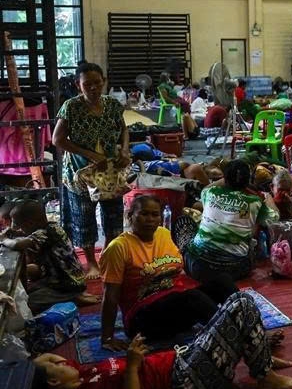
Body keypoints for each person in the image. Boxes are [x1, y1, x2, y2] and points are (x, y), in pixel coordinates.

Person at [32, 291, 292, 389]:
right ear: (54, 380)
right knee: (241, 304)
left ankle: (260, 357)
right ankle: (263, 375)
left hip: (183, 357)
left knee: (232, 299)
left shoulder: (81, 373)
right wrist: (133, 366)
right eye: (55, 361)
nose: (64, 359)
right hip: (185, 381)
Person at [99, 195, 237, 349]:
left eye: (155, 214)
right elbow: (110, 295)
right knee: (193, 298)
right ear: (130, 216)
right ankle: (233, 338)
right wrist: (107, 338)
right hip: (142, 319)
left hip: (173, 307)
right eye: (144, 214)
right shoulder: (118, 247)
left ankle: (244, 323)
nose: (150, 219)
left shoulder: (163, 234)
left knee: (223, 281)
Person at [52, 61, 129, 279]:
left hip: (109, 170)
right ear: (79, 85)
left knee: (113, 214)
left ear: (104, 82)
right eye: (87, 85)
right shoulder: (71, 107)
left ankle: (108, 254)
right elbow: (57, 140)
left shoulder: (112, 105)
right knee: (84, 216)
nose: (93, 88)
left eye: (97, 83)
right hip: (80, 171)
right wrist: (90, 155)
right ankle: (91, 262)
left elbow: (123, 129)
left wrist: (124, 149)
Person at [186, 159, 276, 282]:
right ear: (248, 180)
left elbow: (205, 188)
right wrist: (268, 196)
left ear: (224, 178)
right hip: (233, 269)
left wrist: (227, 179)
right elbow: (274, 217)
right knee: (253, 226)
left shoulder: (211, 193)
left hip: (197, 266)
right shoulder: (255, 202)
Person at [0, 199, 97, 312]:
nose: (15, 228)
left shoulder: (45, 234)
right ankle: (70, 295)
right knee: (27, 292)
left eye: (17, 224)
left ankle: (73, 298)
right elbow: (27, 234)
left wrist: (4, 239)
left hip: (66, 285)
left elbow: (18, 244)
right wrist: (15, 232)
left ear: (30, 223)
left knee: (27, 302)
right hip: (63, 279)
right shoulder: (52, 227)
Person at [157, 73, 199, 138]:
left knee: (186, 104)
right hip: (172, 100)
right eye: (168, 77)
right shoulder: (162, 86)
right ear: (165, 78)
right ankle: (183, 119)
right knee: (185, 105)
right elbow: (165, 97)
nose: (169, 79)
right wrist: (174, 102)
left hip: (176, 98)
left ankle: (185, 118)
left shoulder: (167, 85)